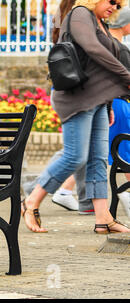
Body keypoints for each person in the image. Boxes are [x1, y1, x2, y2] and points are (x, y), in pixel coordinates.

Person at [21, 0, 130, 234]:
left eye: (119, 5)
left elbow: (98, 69)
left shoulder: (100, 22)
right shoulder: (80, 14)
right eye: (112, 1)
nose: (115, 7)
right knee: (74, 157)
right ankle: (31, 202)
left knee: (97, 159)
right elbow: (93, 49)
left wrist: (109, 103)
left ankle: (104, 218)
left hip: (99, 100)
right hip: (77, 97)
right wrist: (126, 75)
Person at [108, 7, 130, 217]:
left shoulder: (107, 44)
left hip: (110, 103)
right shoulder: (120, 49)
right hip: (119, 104)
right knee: (125, 154)